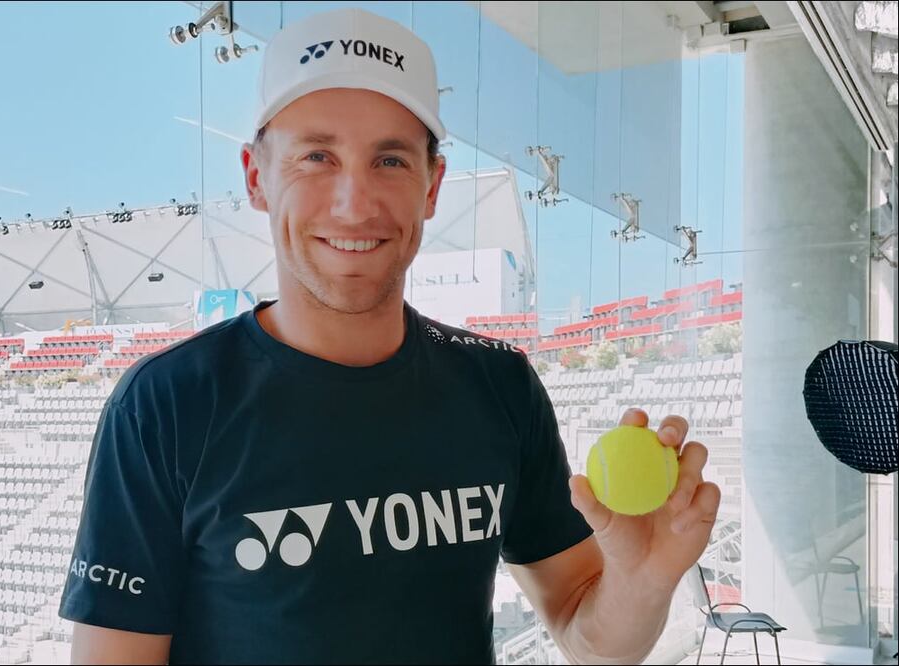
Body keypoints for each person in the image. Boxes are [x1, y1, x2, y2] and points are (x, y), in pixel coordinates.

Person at [58, 8, 721, 664]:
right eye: (316, 157)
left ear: (432, 187)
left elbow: (592, 639)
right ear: (257, 178)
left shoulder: (499, 384)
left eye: (391, 160)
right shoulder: (165, 403)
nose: (354, 203)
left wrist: (640, 581)